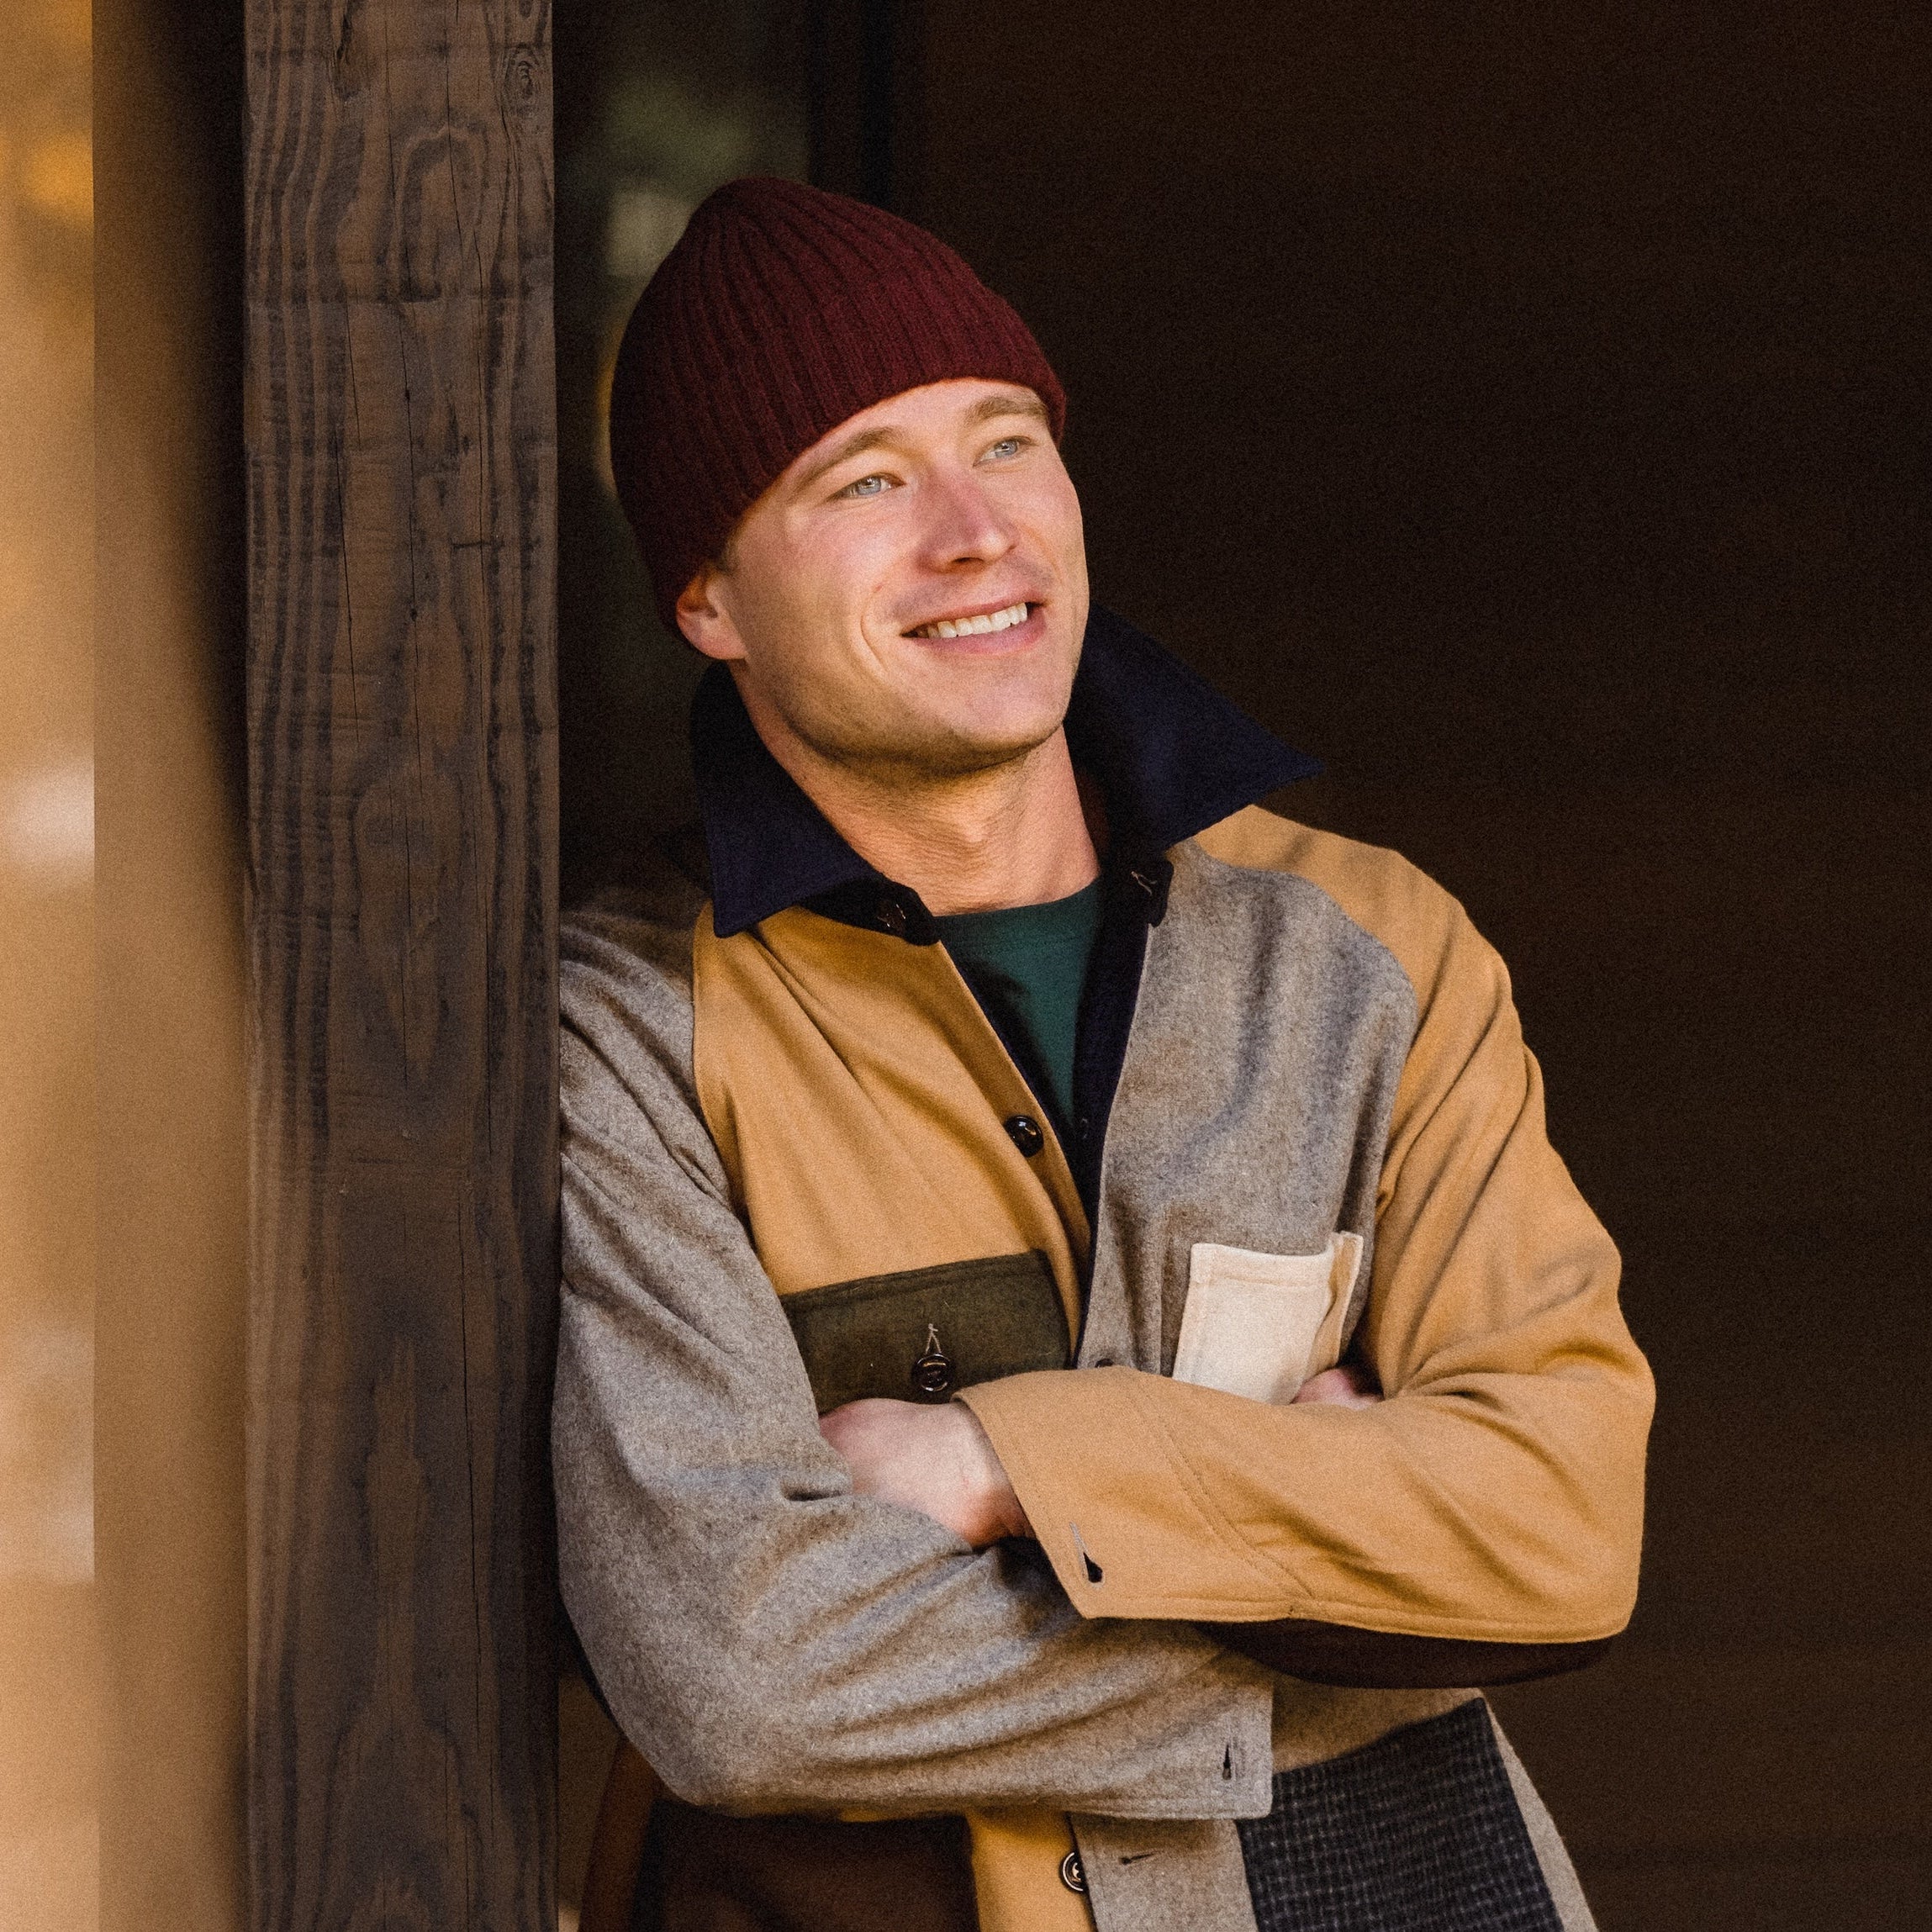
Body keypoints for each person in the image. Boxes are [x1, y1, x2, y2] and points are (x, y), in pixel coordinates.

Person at [555, 177, 1653, 1932]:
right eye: (863, 480)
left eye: (1007, 442)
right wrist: (1345, 1601)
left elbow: (1567, 1519)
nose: (973, 529)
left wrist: (1003, 1464)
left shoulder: (1369, 955)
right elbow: (737, 1665)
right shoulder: (628, 1034)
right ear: (708, 596)